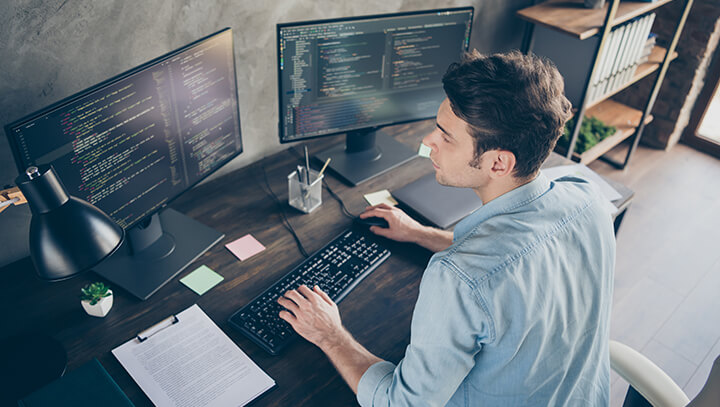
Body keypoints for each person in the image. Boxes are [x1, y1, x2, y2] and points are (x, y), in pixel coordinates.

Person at [277, 50, 616, 406]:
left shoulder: (457, 279)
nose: (427, 141)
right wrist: (421, 234)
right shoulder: (587, 198)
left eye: (446, 136)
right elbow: (519, 260)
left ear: (498, 163)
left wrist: (330, 334)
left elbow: (402, 403)